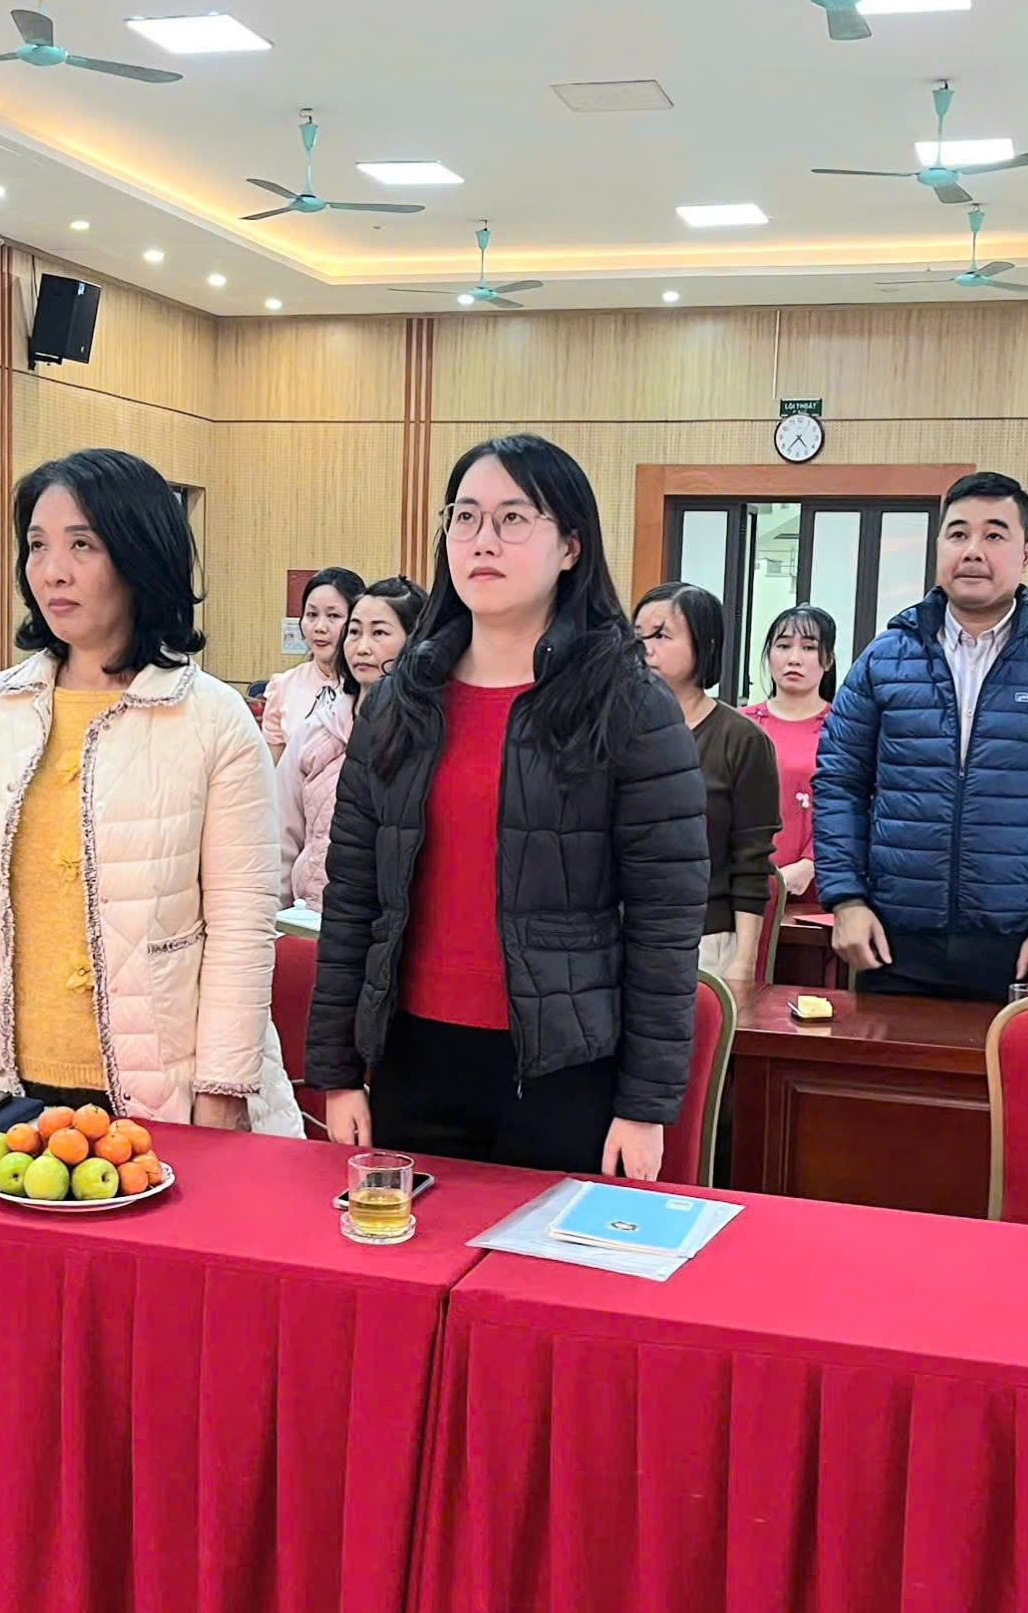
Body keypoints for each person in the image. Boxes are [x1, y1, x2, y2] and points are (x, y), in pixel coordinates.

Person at [307, 433, 708, 1179]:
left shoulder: (628, 702)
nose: (482, 540)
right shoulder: (400, 699)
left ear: (570, 547)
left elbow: (665, 920)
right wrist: (335, 1069)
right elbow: (353, 895)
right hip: (412, 1057)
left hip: (566, 1071)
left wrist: (645, 1105)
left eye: (513, 518)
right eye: (465, 517)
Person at [0, 447, 302, 1134]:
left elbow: (241, 928)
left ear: (140, 554)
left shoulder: (211, 718)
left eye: (82, 544)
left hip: (162, 1085)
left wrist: (221, 1090)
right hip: (2, 1077)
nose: (52, 570)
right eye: (37, 545)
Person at [813, 470, 1028, 1001]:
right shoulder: (883, 661)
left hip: (1022, 943)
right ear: (939, 546)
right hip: (893, 940)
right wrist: (846, 898)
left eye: (994, 535)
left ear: (1026, 554)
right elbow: (839, 784)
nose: (972, 550)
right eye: (958, 533)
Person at [635, 582, 779, 983]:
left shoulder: (742, 740)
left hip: (705, 939)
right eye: (637, 636)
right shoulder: (614, 731)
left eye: (661, 636)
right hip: (617, 934)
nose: (645, 649)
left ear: (705, 645)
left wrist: (743, 962)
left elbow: (751, 860)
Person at [279, 577, 428, 912]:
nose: (361, 647)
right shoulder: (316, 731)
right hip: (310, 915)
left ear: (415, 641)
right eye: (355, 632)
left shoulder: (430, 736)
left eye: (379, 633)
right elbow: (281, 835)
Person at [744, 604, 838, 899]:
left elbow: (860, 804)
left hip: (820, 890)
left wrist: (811, 863)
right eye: (783, 646)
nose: (794, 658)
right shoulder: (740, 725)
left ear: (828, 659)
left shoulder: (845, 728)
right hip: (744, 890)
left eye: (809, 647)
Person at [260, 566, 365, 762]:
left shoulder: (371, 686)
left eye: (333, 616)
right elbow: (274, 768)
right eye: (311, 615)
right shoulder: (283, 686)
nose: (319, 627)